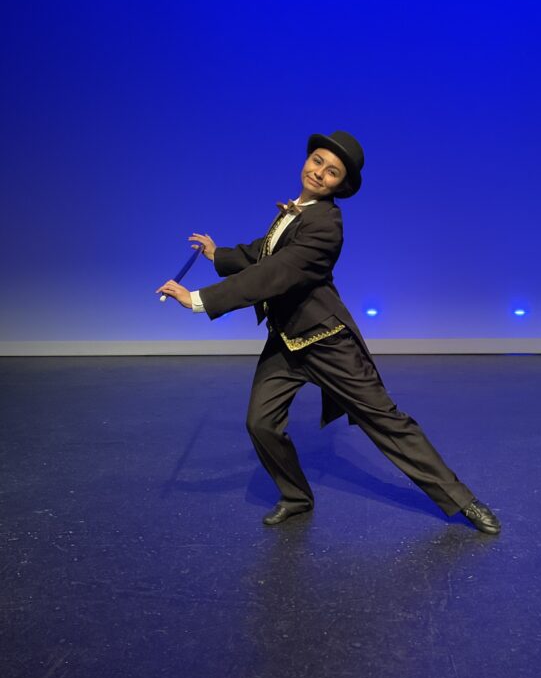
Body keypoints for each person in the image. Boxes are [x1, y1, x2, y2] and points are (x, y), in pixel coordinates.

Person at [155, 131, 501, 534]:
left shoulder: (326, 222)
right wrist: (218, 254)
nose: (319, 173)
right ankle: (297, 497)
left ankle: (464, 502)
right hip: (286, 340)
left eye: (332, 171)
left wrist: (199, 299)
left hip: (326, 340)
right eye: (317, 161)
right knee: (261, 423)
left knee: (386, 422)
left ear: (341, 184)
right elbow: (264, 251)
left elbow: (275, 273)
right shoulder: (297, 209)